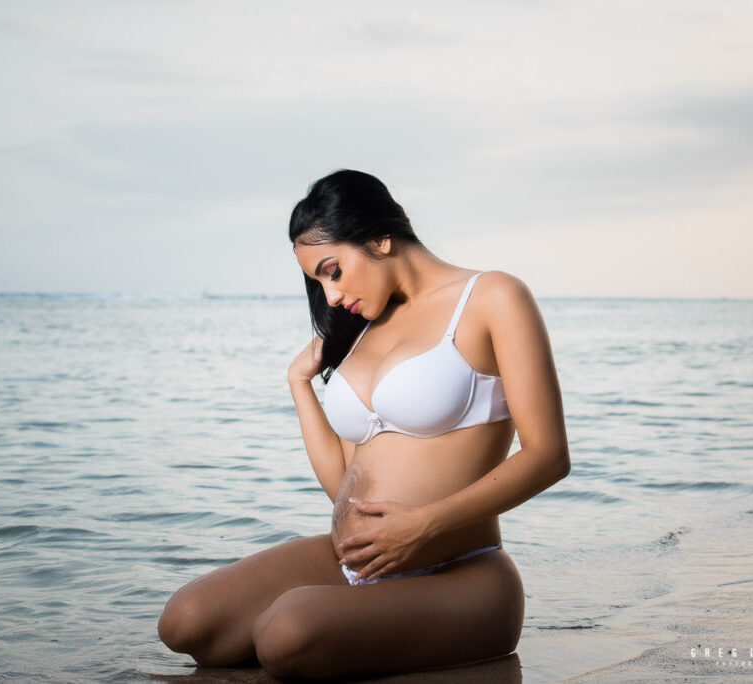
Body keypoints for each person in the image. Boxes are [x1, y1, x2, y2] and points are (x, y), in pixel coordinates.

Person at [157, 169, 570, 679]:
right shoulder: (362, 329)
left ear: (379, 236)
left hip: (460, 573)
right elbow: (343, 489)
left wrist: (422, 525)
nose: (330, 296)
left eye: (332, 270)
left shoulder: (492, 297)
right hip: (354, 563)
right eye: (317, 282)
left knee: (286, 633)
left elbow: (548, 455)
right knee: (185, 622)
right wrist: (299, 385)